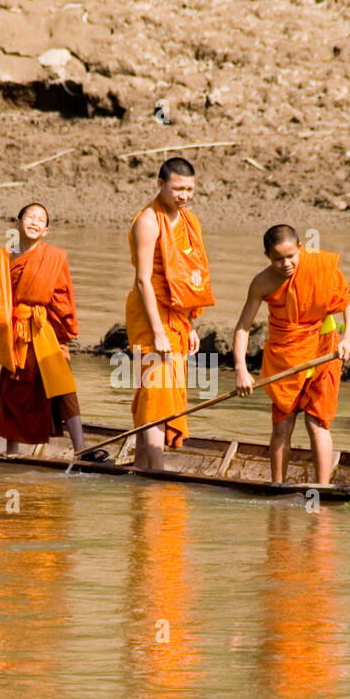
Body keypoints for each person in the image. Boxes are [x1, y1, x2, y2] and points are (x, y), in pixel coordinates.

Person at [233, 225, 350, 484]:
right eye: (278, 258)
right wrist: (241, 370)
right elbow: (243, 328)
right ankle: (277, 485)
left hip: (323, 348)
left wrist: (347, 339)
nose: (286, 264)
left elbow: (349, 299)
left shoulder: (318, 265)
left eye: (291, 256)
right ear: (267, 255)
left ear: (300, 248)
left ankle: (322, 488)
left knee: (317, 422)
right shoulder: (262, 282)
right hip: (285, 355)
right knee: (282, 425)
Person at [0, 203, 104, 458]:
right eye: (30, 217)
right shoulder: (3, 259)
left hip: (44, 329)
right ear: (18, 222)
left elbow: (63, 298)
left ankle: (81, 449)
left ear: (46, 230)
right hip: (17, 331)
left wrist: (62, 331)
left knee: (64, 386)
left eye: (41, 220)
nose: (35, 222)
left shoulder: (53, 258)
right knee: (14, 389)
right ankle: (11, 453)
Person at [125, 157, 214, 469]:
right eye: (177, 188)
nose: (184, 196)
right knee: (157, 393)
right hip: (150, 314)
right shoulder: (148, 222)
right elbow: (143, 280)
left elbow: (190, 276)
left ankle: (140, 466)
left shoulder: (190, 221)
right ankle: (157, 472)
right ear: (160, 184)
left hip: (176, 316)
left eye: (189, 189)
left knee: (160, 391)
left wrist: (189, 325)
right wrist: (159, 332)